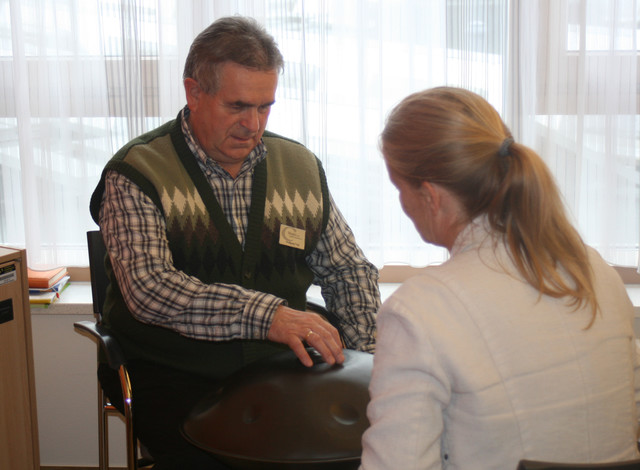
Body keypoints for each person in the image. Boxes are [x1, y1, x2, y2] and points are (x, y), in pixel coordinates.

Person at [89, 16, 380, 469]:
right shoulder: (136, 172)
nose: (253, 124)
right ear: (194, 93)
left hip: (281, 370)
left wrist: (372, 359)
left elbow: (348, 270)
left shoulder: (299, 166)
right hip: (172, 372)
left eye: (265, 107)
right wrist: (267, 316)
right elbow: (150, 289)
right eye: (238, 106)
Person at [360, 86, 640, 470]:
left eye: (399, 188)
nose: (401, 202)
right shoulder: (592, 269)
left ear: (430, 196)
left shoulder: (420, 310)